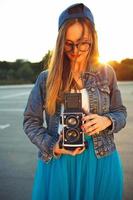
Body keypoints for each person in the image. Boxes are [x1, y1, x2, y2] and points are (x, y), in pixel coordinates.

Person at [23, 3, 127, 200]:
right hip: (60, 162)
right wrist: (53, 145)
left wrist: (107, 121)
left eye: (83, 43)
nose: (76, 50)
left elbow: (120, 112)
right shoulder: (46, 78)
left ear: (93, 39)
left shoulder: (107, 72)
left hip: (100, 160)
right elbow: (30, 121)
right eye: (69, 43)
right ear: (60, 41)